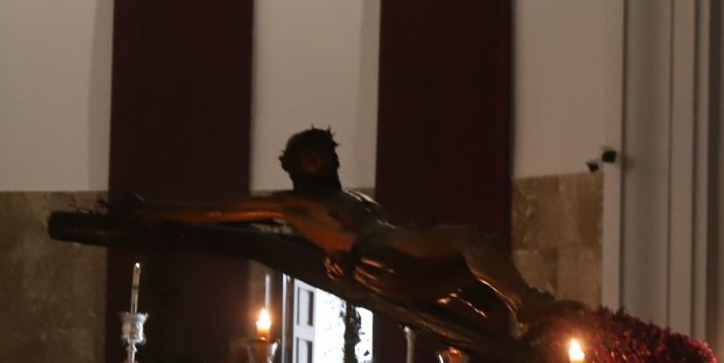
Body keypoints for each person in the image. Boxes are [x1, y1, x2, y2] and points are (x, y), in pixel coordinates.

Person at [132, 128, 575, 335]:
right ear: (294, 166)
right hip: (376, 251)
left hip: (392, 241)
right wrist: (151, 210)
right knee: (468, 239)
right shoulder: (293, 204)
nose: (323, 161)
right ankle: (527, 303)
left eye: (326, 153)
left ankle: (516, 306)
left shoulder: (354, 199)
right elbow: (217, 213)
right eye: (312, 156)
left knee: (480, 251)